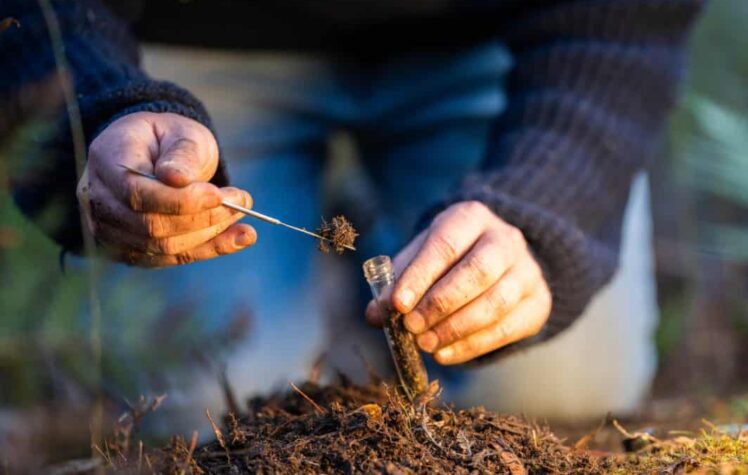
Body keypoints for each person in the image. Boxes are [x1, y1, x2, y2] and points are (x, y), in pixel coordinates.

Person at [2, 0, 704, 421]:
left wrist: (548, 202)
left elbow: (628, 19)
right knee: (197, 408)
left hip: (496, 42)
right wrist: (99, 106)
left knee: (555, 387)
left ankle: (389, 215)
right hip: (188, 45)